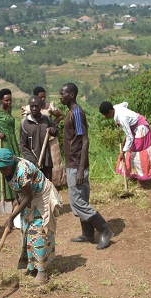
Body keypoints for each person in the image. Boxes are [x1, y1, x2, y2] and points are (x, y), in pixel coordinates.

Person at [0, 148, 62, 284]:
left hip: (41, 197)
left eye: (3, 169)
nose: (2, 172)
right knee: (27, 231)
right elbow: (19, 188)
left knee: (39, 233)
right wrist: (16, 199)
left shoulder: (23, 171)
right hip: (28, 197)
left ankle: (42, 273)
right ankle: (32, 266)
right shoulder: (8, 168)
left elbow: (29, 196)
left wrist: (11, 216)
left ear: (10, 164)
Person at [59, 82, 112, 250]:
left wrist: (81, 168)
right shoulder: (70, 112)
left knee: (77, 202)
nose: (60, 96)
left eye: (63, 94)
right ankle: (88, 234)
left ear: (72, 95)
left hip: (77, 164)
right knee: (81, 199)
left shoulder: (77, 112)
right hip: (72, 163)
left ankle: (104, 230)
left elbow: (85, 140)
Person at [99, 101, 151, 185]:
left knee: (137, 152)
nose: (106, 117)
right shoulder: (116, 107)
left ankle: (143, 177)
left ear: (111, 111)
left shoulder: (122, 118)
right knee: (130, 150)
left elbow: (129, 137)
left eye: (106, 115)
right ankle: (135, 175)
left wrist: (123, 151)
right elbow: (125, 103)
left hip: (141, 128)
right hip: (134, 127)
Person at [20, 95, 59, 181]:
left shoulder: (46, 119)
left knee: (47, 187)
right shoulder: (24, 123)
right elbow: (23, 146)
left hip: (47, 161)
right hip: (32, 163)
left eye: (36, 106)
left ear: (41, 106)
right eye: (32, 106)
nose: (34, 108)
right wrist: (34, 161)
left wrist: (53, 130)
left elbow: (55, 132)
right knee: (35, 189)